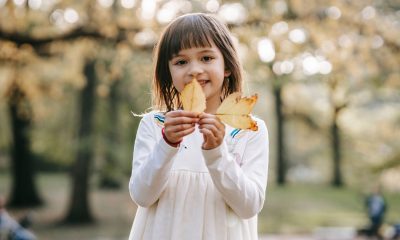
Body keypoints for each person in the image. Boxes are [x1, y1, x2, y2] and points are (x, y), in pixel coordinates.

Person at [128, 13, 269, 240]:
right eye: (181, 62)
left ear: (227, 66)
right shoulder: (155, 126)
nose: (194, 69)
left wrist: (217, 153)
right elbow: (142, 196)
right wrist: (167, 144)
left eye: (206, 58)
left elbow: (249, 206)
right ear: (169, 72)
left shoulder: (248, 130)